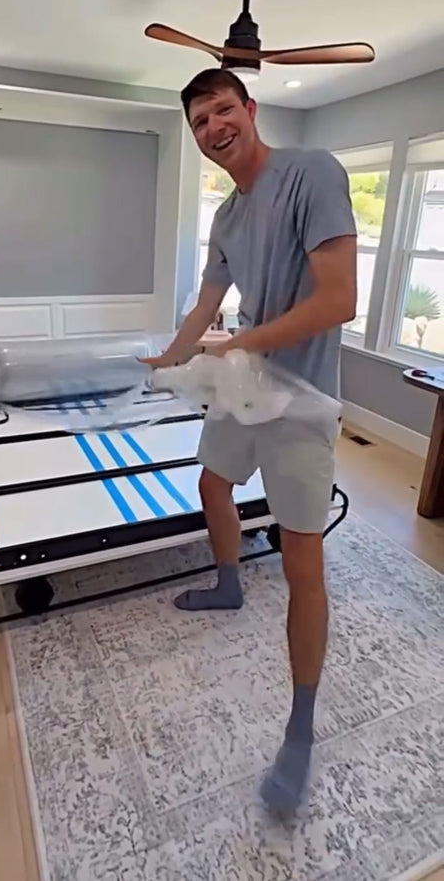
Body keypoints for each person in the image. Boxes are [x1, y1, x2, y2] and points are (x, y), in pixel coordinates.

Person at [143, 68, 357, 814]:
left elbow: (339, 299)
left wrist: (243, 342)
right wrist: (171, 357)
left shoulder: (312, 173)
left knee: (304, 563)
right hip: (247, 383)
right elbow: (206, 301)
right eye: (200, 120)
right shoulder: (228, 217)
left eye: (223, 110)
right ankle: (230, 583)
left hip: (301, 400)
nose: (213, 128)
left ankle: (299, 727)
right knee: (212, 481)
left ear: (251, 109)